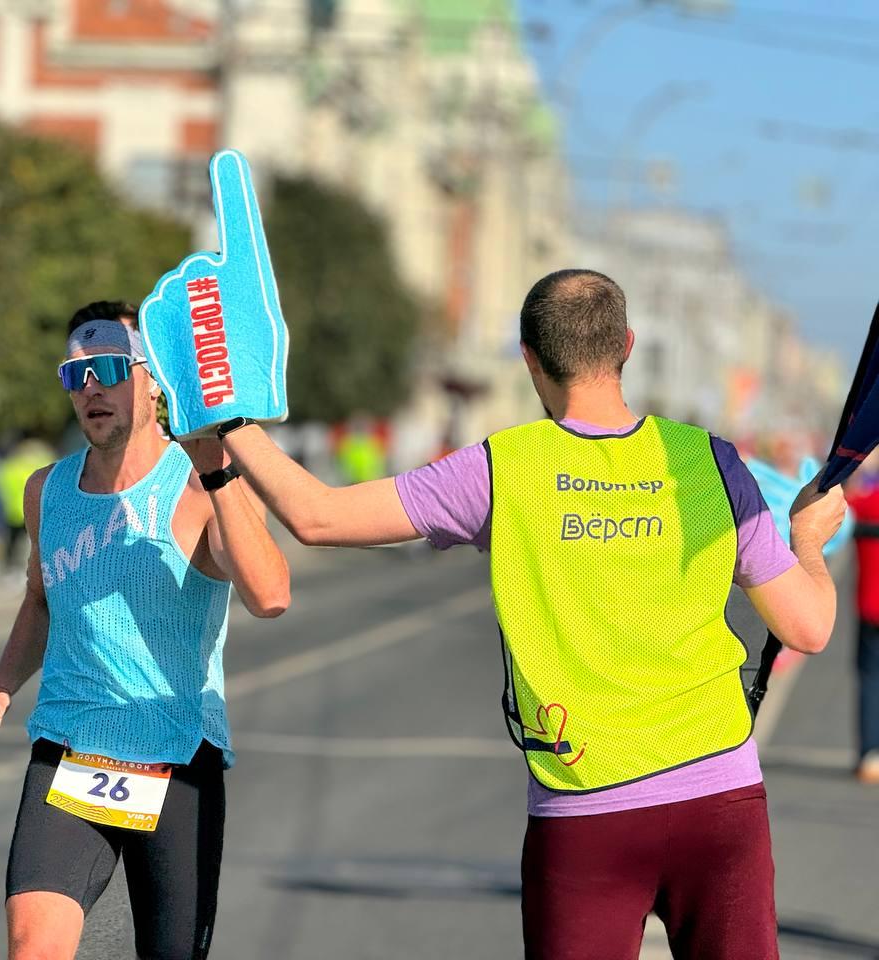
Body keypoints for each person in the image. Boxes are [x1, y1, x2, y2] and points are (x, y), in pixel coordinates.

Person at [214, 269, 844, 960]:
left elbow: (316, 516)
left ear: (529, 358)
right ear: (626, 346)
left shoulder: (502, 467)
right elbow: (807, 627)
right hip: (719, 798)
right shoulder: (711, 462)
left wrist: (227, 423)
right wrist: (808, 539)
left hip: (585, 812)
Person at [0, 300, 290, 960]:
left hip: (175, 756)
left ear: (152, 377)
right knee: (33, 945)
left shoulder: (197, 485)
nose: (90, 389)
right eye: (74, 374)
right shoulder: (45, 490)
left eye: (107, 368)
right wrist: (1, 683)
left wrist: (220, 472)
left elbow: (271, 594)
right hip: (72, 746)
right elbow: (41, 598)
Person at [844, 458, 879, 784]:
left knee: (870, 681)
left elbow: (840, 502)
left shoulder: (866, 504)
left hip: (871, 606)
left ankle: (870, 754)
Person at [0, 434, 56, 574]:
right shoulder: (45, 464)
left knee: (14, 545)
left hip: (14, 512)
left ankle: (13, 569)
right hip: (34, 511)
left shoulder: (10, 465)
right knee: (31, 545)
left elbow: (1, 487)